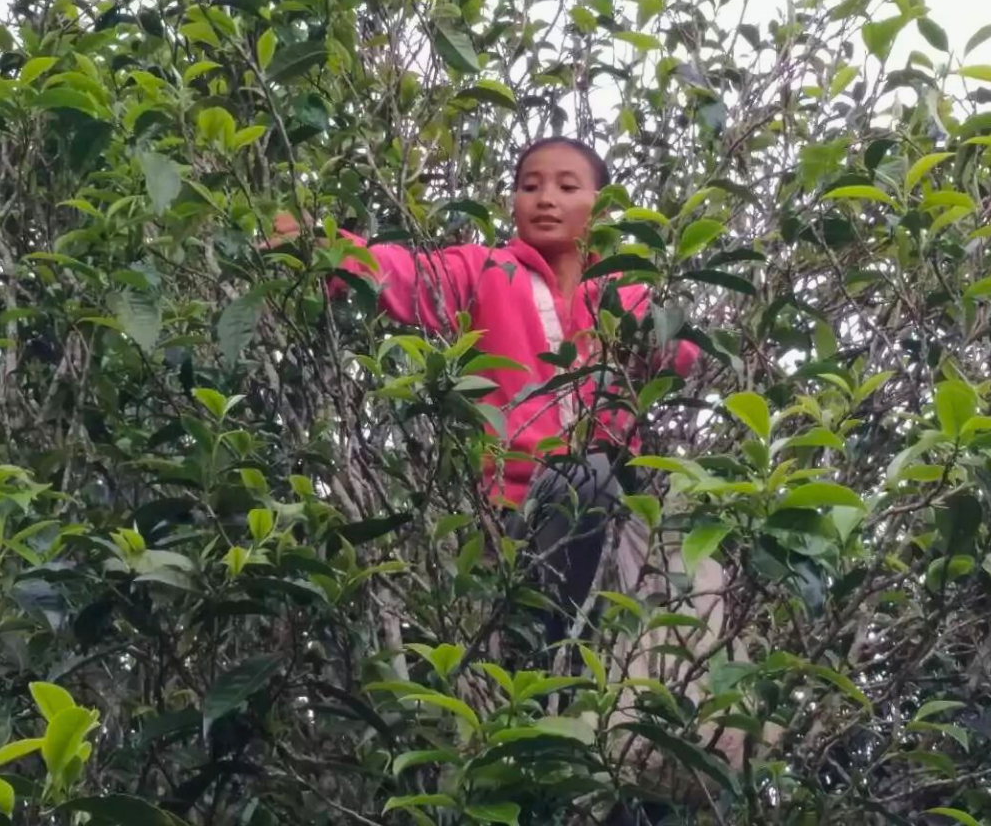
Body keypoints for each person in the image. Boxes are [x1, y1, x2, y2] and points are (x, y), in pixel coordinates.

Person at [259, 137, 700, 688]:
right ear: (512, 201)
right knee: (583, 482)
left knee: (662, 514)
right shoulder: (484, 270)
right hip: (518, 508)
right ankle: (548, 667)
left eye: (567, 187)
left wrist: (648, 326)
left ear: (600, 209)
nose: (546, 198)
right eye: (530, 185)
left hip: (613, 511)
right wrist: (327, 249)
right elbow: (404, 275)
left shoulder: (623, 294)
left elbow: (681, 356)